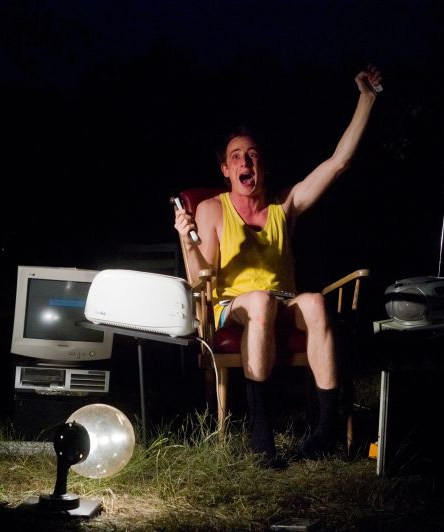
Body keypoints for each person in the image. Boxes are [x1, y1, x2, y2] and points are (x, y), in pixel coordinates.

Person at [174, 65, 382, 465]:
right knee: (259, 301)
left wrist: (366, 99)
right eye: (236, 156)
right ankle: (261, 429)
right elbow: (200, 276)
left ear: (263, 166)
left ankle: (326, 427)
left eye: (252, 155)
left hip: (279, 300)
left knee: (315, 302)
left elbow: (338, 163)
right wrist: (187, 238)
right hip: (232, 306)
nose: (245, 161)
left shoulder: (284, 206)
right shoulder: (212, 209)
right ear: (226, 170)